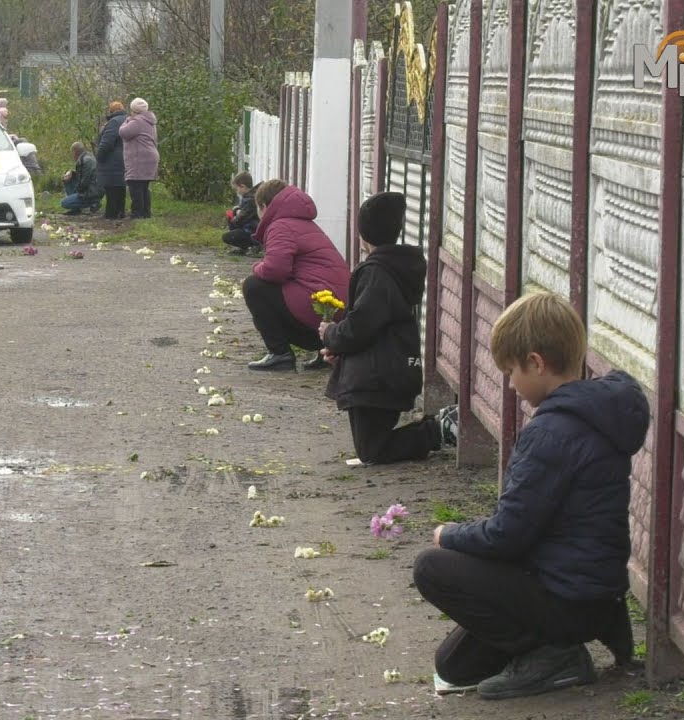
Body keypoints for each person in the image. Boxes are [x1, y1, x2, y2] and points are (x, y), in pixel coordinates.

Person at [414, 291, 648, 699]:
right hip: (591, 590)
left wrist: (449, 534)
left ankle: (557, 657)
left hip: (567, 597)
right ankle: (550, 650)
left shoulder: (552, 432)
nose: (510, 384)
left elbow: (507, 535)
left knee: (432, 567)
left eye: (511, 371)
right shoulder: (597, 415)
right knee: (453, 667)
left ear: (537, 363)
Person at [319, 191, 442, 464]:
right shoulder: (395, 267)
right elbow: (374, 326)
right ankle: (436, 430)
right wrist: (340, 351)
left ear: (363, 234)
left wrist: (330, 333)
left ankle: (439, 430)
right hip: (385, 369)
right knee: (371, 448)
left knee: (372, 450)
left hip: (376, 378)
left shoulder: (377, 272)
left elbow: (361, 326)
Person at [241, 179, 350, 371]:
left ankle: (279, 353)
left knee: (254, 286)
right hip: (337, 307)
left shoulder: (280, 226)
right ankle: (324, 351)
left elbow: (275, 270)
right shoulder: (304, 223)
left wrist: (257, 266)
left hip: (319, 305)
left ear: (264, 206)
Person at [119, 97, 158, 219]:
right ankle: (146, 213)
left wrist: (127, 120)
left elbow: (123, 132)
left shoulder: (137, 121)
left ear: (134, 110)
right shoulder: (149, 121)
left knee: (135, 185)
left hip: (139, 158)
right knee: (144, 186)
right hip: (150, 156)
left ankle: (137, 213)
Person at [94, 100, 127, 220]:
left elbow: (107, 142)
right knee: (120, 187)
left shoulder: (113, 122)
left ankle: (111, 214)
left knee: (111, 188)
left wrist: (99, 156)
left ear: (111, 111)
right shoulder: (127, 119)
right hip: (124, 158)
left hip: (112, 160)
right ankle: (120, 212)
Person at [60, 141, 103, 215]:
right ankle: (77, 207)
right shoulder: (88, 156)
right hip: (95, 189)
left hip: (92, 192)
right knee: (68, 178)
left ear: (75, 152)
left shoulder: (84, 161)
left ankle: (92, 203)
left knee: (64, 203)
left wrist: (77, 192)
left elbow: (84, 182)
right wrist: (72, 173)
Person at [222, 172, 260, 255]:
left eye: (237, 189)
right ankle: (246, 247)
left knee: (227, 237)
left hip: (252, 230)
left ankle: (253, 245)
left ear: (243, 186)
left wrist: (233, 216)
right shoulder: (250, 197)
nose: (237, 192)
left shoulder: (250, 200)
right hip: (251, 228)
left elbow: (241, 218)